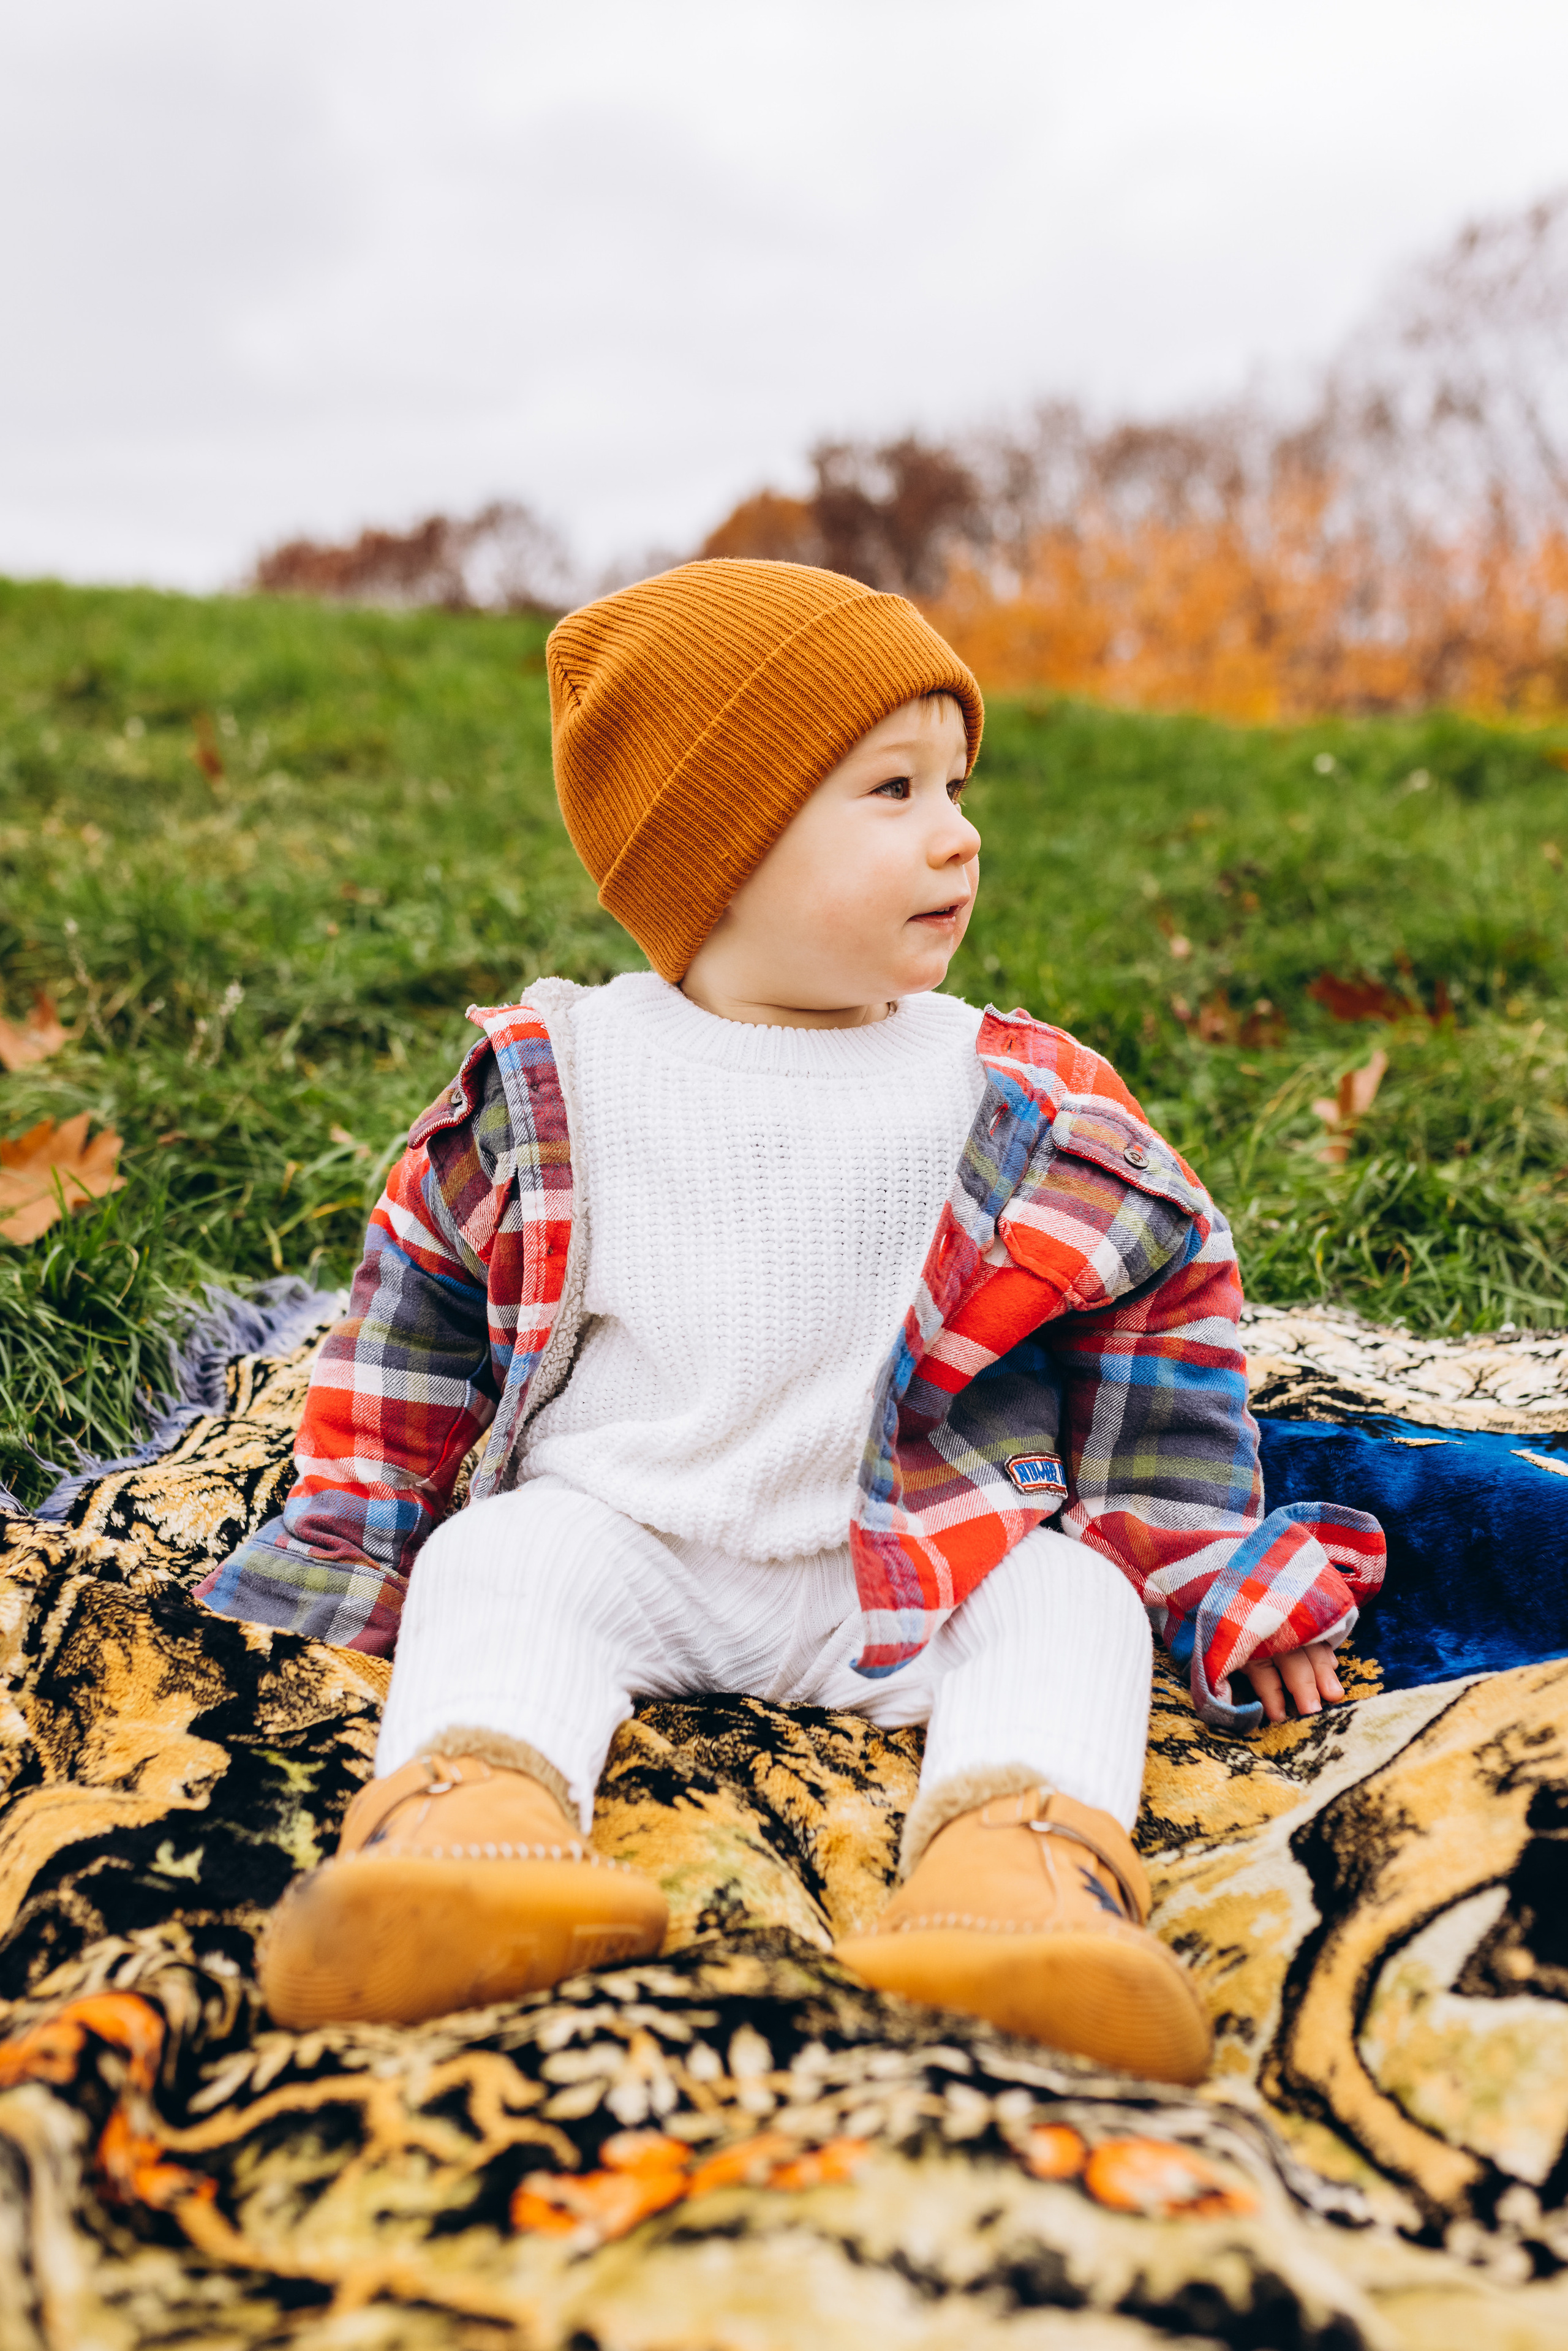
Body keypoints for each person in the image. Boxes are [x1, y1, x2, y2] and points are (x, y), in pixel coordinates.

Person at [198, 559, 1382, 2084]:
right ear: (721, 848)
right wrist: (356, 1541)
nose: (958, 832)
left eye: (956, 784)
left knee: (1064, 1606)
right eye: (890, 789)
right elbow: (411, 1320)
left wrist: (1206, 1565)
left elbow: (1159, 1336)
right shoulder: (559, 1079)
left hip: (914, 1565)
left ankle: (1014, 1876)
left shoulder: (1013, 1095)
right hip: (628, 1537)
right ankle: (468, 1832)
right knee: (497, 1563)